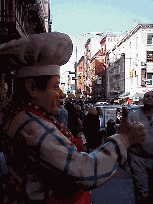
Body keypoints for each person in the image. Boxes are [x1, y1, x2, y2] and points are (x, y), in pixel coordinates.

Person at [0, 32, 146, 204]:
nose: (61, 94)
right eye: (55, 87)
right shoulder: (31, 127)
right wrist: (124, 140)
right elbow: (85, 171)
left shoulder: (21, 116)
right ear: (32, 88)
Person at [128, 91, 153, 203]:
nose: (150, 98)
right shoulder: (133, 116)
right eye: (147, 96)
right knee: (141, 190)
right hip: (138, 158)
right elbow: (124, 135)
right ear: (143, 99)